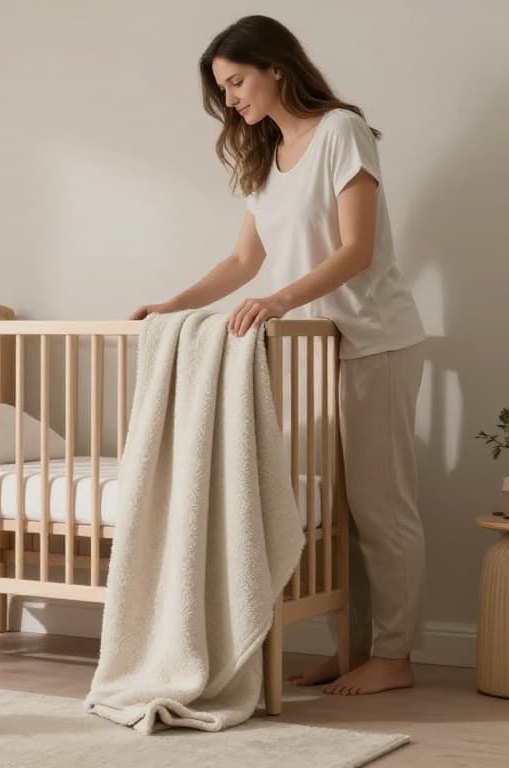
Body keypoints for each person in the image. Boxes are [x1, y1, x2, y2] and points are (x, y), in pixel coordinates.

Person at [131, 15, 426, 696]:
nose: (230, 98)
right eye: (223, 90)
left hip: (373, 343)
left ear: (275, 68)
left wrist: (281, 301)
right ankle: (351, 649)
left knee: (383, 508)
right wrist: (172, 306)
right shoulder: (265, 159)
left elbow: (355, 248)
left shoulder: (341, 133)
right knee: (328, 512)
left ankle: (396, 655)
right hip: (314, 354)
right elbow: (242, 259)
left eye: (236, 81)